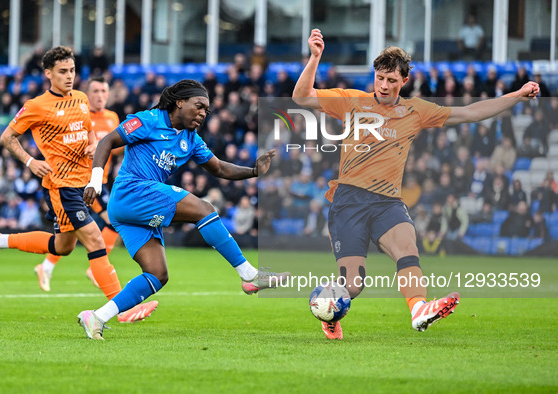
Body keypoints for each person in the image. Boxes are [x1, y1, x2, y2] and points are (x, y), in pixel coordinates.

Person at [293, 28, 539, 339]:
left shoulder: (415, 110)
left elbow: (470, 113)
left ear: (404, 82)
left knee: (407, 245)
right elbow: (301, 96)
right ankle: (328, 309)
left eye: (392, 80)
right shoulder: (351, 101)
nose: (384, 85)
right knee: (353, 285)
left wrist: (516, 96)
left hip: (387, 201)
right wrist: (315, 58)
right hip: (349, 201)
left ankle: (419, 309)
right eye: (380, 78)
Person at [78, 79, 289, 340]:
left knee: (157, 275)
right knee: (204, 208)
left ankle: (96, 317)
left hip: (133, 210)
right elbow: (107, 141)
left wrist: (254, 171)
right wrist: (96, 181)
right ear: (179, 102)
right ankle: (250, 274)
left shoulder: (191, 139)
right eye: (198, 106)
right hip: (132, 191)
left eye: (206, 110)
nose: (202, 113)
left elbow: (220, 168)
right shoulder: (149, 120)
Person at [0, 46, 157, 324]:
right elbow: (7, 137)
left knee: (62, 247)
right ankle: (121, 308)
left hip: (83, 182)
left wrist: (92, 145)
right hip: (61, 186)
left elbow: (88, 132)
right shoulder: (37, 105)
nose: (69, 76)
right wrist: (29, 162)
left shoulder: (82, 99)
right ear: (49, 74)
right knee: (96, 239)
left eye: (72, 70)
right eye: (62, 72)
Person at [36, 76, 123, 293]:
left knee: (71, 234)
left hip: (101, 182)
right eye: (96, 91)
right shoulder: (78, 113)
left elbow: (116, 147)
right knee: (113, 221)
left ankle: (46, 265)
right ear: (87, 93)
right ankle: (95, 270)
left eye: (104, 91)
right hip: (81, 183)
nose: (100, 95)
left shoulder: (112, 118)